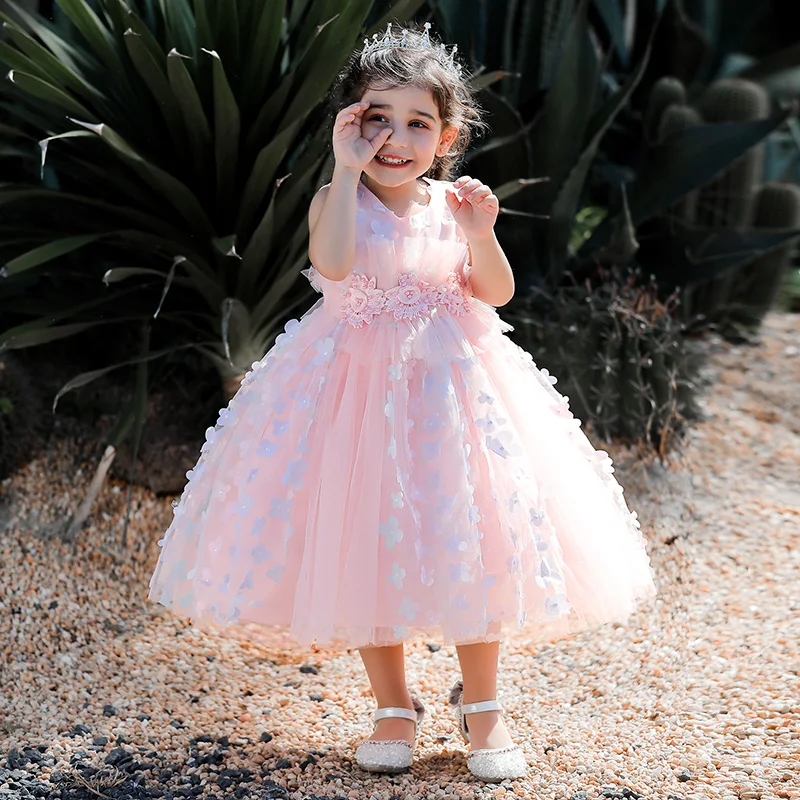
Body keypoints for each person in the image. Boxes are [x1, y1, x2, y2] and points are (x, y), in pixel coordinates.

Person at [148, 21, 658, 784]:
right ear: (349, 124)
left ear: (445, 135)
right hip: (352, 398)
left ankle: (482, 705)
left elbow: (496, 292)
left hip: (451, 397)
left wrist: (481, 233)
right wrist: (344, 171)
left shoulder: (453, 202)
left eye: (418, 123)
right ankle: (394, 705)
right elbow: (333, 262)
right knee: (364, 542)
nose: (395, 137)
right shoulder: (334, 196)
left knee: (473, 534)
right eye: (375, 119)